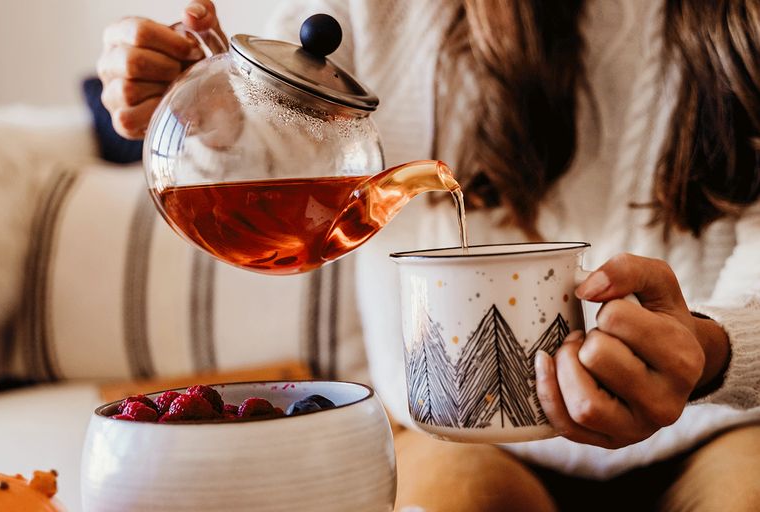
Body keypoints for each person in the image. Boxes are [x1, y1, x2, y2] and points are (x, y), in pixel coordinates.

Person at [97, 1, 760, 510]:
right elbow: (279, 146)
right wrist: (206, 116)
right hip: (453, 433)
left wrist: (712, 347)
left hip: (720, 421)